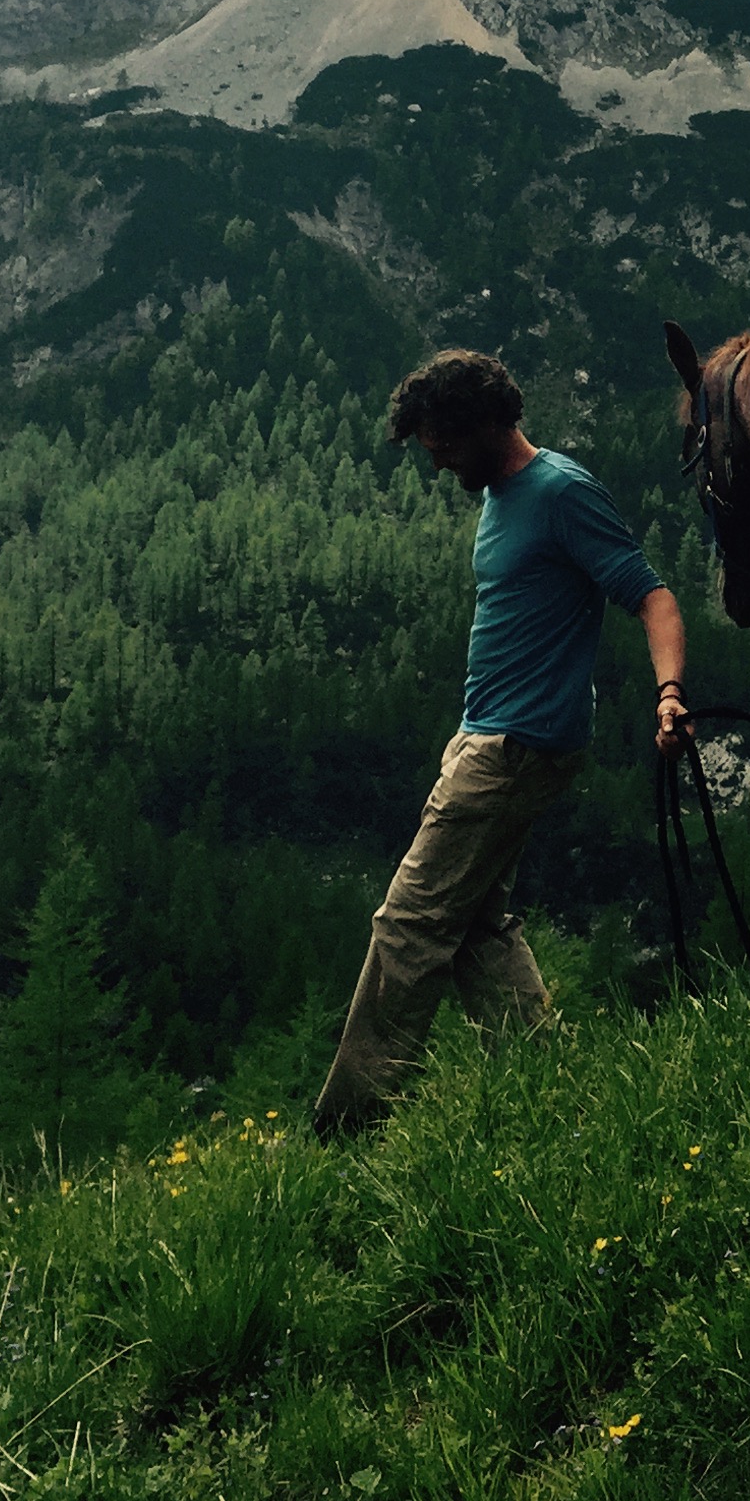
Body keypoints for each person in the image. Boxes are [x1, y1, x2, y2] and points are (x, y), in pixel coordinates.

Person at [312, 348, 692, 1136]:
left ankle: (349, 1126)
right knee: (478, 923)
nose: (439, 460)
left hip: (516, 747)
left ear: (488, 424)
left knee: (409, 923)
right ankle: (543, 1083)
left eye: (445, 444)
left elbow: (652, 596)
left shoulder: (560, 490)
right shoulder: (499, 494)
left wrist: (668, 695)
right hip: (484, 737)